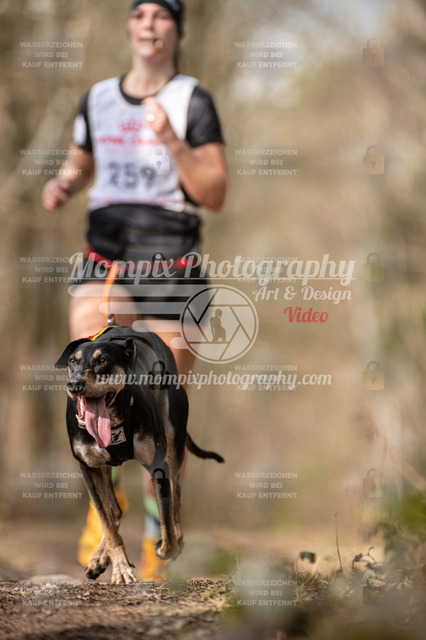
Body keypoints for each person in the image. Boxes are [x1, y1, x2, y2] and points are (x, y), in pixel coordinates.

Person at [42, 0, 227, 580]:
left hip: (174, 260)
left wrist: (172, 140)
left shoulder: (193, 100)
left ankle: (157, 537)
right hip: (109, 256)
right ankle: (104, 511)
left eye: (162, 14)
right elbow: (82, 164)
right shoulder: (97, 98)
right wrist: (64, 184)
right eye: (140, 12)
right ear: (130, 26)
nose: (150, 23)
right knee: (91, 364)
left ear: (176, 29)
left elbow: (215, 191)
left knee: (166, 408)